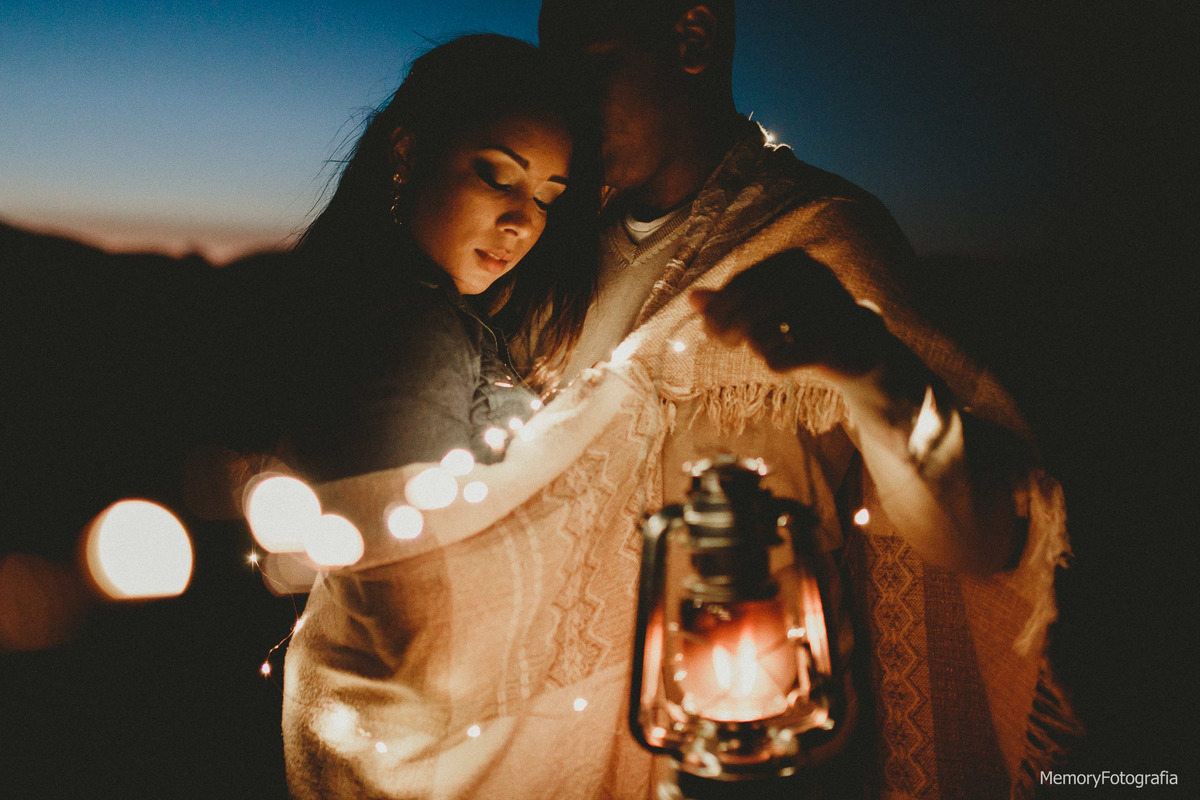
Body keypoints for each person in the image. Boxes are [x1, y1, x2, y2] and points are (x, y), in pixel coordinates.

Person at [277, 33, 602, 797]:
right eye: (497, 176)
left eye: (547, 199)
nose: (523, 222)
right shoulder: (414, 329)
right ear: (406, 154)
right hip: (413, 761)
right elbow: (416, 618)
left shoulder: (380, 302)